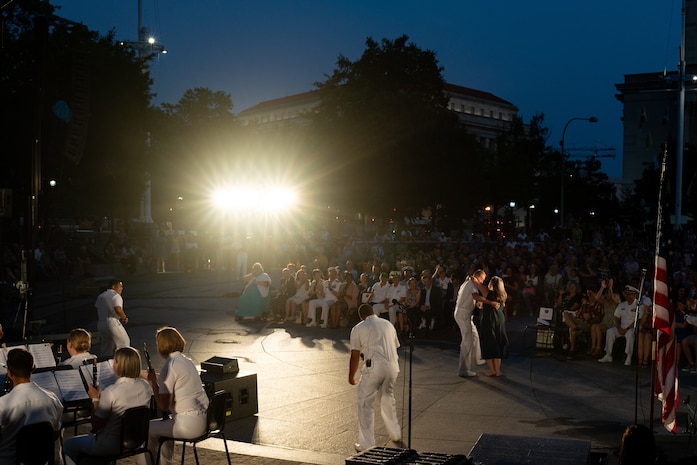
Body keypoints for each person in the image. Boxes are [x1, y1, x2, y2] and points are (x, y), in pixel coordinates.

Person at [63, 347, 152, 465]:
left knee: (69, 445)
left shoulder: (111, 392)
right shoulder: (145, 386)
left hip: (109, 446)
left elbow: (96, 425)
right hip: (135, 442)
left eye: (115, 361)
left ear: (119, 365)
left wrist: (95, 399)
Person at [140, 327, 209, 465]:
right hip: (203, 420)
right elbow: (173, 381)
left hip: (187, 425)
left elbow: (163, 405)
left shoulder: (169, 365)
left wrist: (153, 382)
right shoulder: (186, 361)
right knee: (163, 426)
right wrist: (145, 375)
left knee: (145, 429)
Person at [348, 304, 401, 452]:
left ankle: (366, 444)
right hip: (392, 366)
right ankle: (395, 433)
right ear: (373, 312)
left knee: (365, 404)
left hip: (373, 367)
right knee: (387, 398)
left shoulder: (358, 328)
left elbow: (355, 355)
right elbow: (395, 346)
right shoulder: (388, 324)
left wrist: (351, 376)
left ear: (361, 316)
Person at [0, 348, 63, 465]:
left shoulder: (3, 404)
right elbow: (55, 435)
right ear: (33, 369)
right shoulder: (53, 399)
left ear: (9, 373)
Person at [454, 270, 499, 377]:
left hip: (466, 315)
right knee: (467, 341)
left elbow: (472, 297)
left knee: (475, 336)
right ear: (478, 277)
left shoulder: (468, 283)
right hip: (463, 315)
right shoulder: (471, 284)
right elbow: (474, 295)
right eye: (482, 279)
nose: (483, 282)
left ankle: (477, 358)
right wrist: (490, 302)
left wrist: (478, 302)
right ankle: (464, 370)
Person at [598, 285, 643, 366]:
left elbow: (639, 320)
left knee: (630, 334)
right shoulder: (622, 305)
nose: (628, 296)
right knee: (610, 331)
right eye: (627, 294)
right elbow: (616, 318)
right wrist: (618, 328)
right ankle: (608, 355)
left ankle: (628, 356)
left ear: (634, 295)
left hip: (632, 328)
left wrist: (627, 328)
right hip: (621, 327)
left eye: (630, 294)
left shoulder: (639, 305)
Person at [479, 276, 509, 377]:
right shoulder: (503, 294)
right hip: (499, 319)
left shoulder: (488, 293)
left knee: (489, 342)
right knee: (497, 342)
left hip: (489, 319)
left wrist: (472, 278)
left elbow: (477, 285)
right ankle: (498, 370)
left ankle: (491, 370)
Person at [96, 279, 130, 357]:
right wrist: (124, 317)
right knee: (124, 343)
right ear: (113, 286)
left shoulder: (101, 296)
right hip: (112, 322)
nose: (121, 288)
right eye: (120, 286)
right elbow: (118, 309)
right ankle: (123, 364)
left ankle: (105, 365)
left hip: (101, 323)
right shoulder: (116, 295)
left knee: (106, 347)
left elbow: (97, 308)